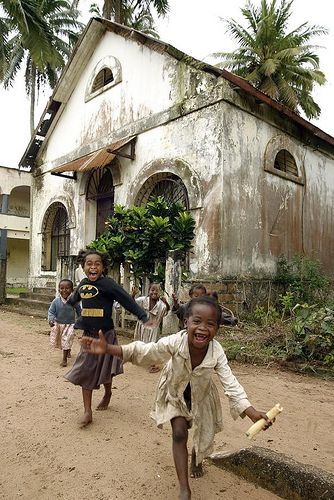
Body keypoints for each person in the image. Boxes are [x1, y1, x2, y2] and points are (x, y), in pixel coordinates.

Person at [80, 295, 273, 500]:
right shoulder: (175, 341)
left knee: (203, 436)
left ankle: (196, 459)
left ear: (217, 328)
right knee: (179, 433)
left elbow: (230, 382)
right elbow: (149, 351)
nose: (202, 328)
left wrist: (251, 412)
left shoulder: (217, 352)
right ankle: (184, 488)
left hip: (202, 398)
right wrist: (111, 349)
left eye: (210, 324)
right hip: (175, 394)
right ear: (185, 322)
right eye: (196, 321)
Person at [65, 249, 152, 428]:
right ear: (84, 266)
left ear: (103, 267)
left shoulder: (108, 284)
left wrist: (142, 316)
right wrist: (71, 304)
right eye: (89, 263)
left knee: (106, 369)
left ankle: (107, 393)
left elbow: (126, 299)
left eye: (97, 263)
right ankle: (87, 411)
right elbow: (74, 298)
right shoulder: (82, 284)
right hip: (89, 336)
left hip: (106, 335)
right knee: (85, 370)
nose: (93, 267)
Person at [132, 282, 170, 373]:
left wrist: (167, 303)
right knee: (142, 345)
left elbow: (166, 311)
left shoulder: (161, 305)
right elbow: (132, 303)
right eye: (152, 290)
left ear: (160, 293)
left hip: (153, 329)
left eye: (157, 291)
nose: (154, 292)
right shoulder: (142, 300)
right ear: (148, 291)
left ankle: (152, 365)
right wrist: (133, 295)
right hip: (142, 326)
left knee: (152, 347)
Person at [48, 279, 81, 367]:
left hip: (70, 324)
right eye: (62, 288)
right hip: (59, 324)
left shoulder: (74, 301)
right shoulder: (56, 301)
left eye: (67, 288)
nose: (64, 290)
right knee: (62, 340)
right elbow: (51, 312)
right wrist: (51, 320)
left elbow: (79, 312)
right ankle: (68, 350)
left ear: (72, 290)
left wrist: (80, 321)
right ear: (59, 289)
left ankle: (64, 359)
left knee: (67, 339)